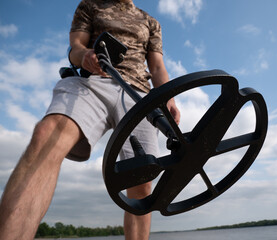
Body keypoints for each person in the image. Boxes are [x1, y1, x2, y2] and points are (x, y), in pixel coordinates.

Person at [0, 0, 180, 239]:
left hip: (138, 94)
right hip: (92, 82)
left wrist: (169, 98)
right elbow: (75, 47)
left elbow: (157, 67)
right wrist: (85, 55)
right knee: (47, 135)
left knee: (141, 180)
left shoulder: (150, 21)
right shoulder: (90, 5)